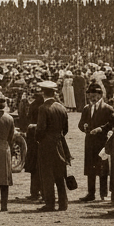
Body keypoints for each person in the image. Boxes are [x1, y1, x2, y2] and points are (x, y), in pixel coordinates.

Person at [34, 81, 70, 212]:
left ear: (43, 93)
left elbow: (40, 129)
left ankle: (50, 203)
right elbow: (65, 129)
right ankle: (63, 203)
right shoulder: (61, 107)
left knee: (47, 174)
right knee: (60, 174)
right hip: (59, 143)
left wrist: (39, 140)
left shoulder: (43, 108)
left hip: (47, 144)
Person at [77, 83, 114, 202]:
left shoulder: (107, 108)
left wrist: (101, 129)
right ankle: (90, 193)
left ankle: (103, 193)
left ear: (100, 95)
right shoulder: (86, 108)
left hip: (101, 142)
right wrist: (84, 126)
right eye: (90, 96)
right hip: (89, 142)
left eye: (94, 96)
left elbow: (112, 124)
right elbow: (80, 124)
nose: (92, 98)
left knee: (102, 168)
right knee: (90, 168)